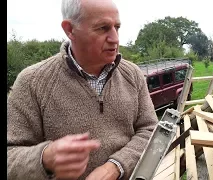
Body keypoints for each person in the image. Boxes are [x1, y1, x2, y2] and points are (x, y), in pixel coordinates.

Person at [7, 0, 158, 179]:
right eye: (102, 28)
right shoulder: (32, 82)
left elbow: (150, 130)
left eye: (116, 27)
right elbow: (10, 155)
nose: (115, 38)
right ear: (70, 29)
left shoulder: (132, 74)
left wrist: (115, 167)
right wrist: (44, 158)